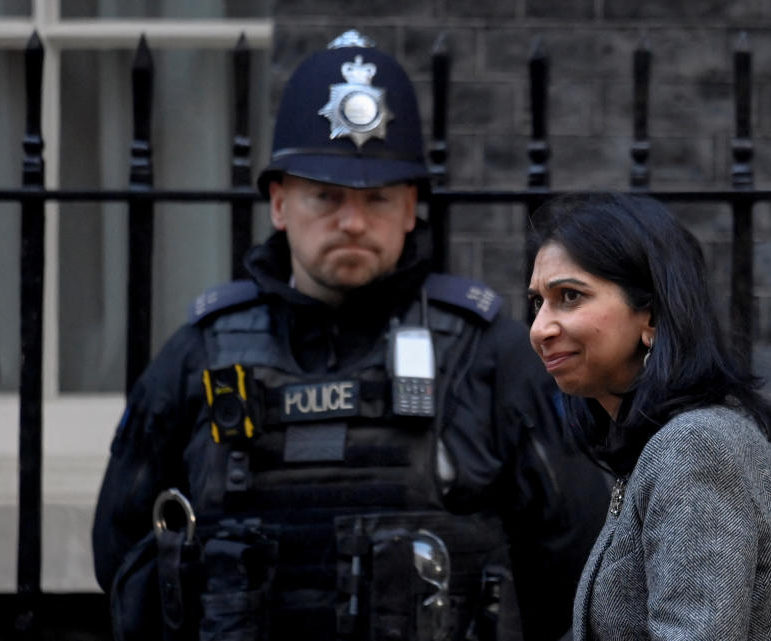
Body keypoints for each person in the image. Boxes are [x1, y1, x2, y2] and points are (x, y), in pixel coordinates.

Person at [92, 30, 609, 641]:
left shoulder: (487, 348)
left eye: (378, 198)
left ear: (411, 204)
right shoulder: (200, 350)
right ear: (280, 204)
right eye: (326, 196)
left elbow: (575, 555)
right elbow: (126, 555)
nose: (353, 221)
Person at [525, 192, 771, 641]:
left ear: (649, 315)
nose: (540, 329)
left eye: (570, 296)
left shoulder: (694, 445)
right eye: (538, 302)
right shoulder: (664, 438)